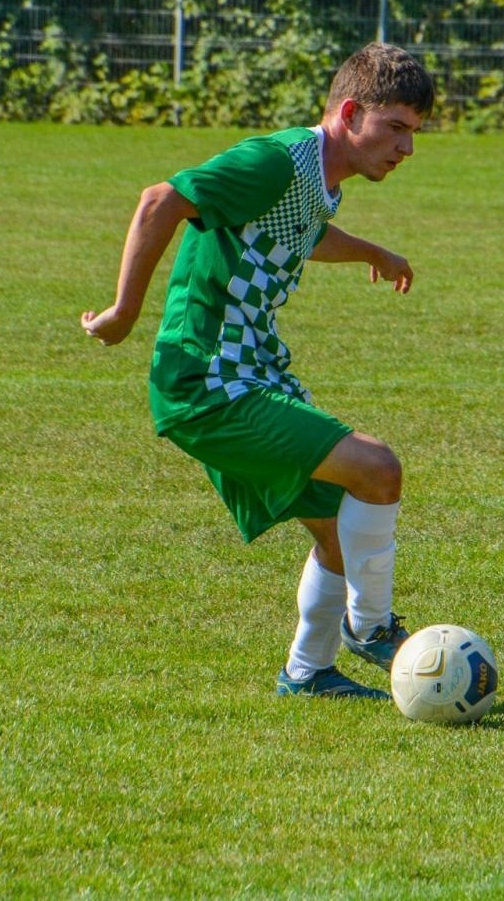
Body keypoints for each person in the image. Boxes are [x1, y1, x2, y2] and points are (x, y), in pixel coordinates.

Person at [81, 43, 435, 700]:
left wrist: (374, 251)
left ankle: (307, 673)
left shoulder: (320, 179)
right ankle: (373, 626)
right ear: (350, 112)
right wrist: (126, 311)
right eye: (396, 128)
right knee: (378, 470)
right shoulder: (276, 161)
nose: (406, 149)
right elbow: (162, 200)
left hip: (254, 370)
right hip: (207, 378)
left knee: (336, 523)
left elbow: (302, 231)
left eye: (414, 133)